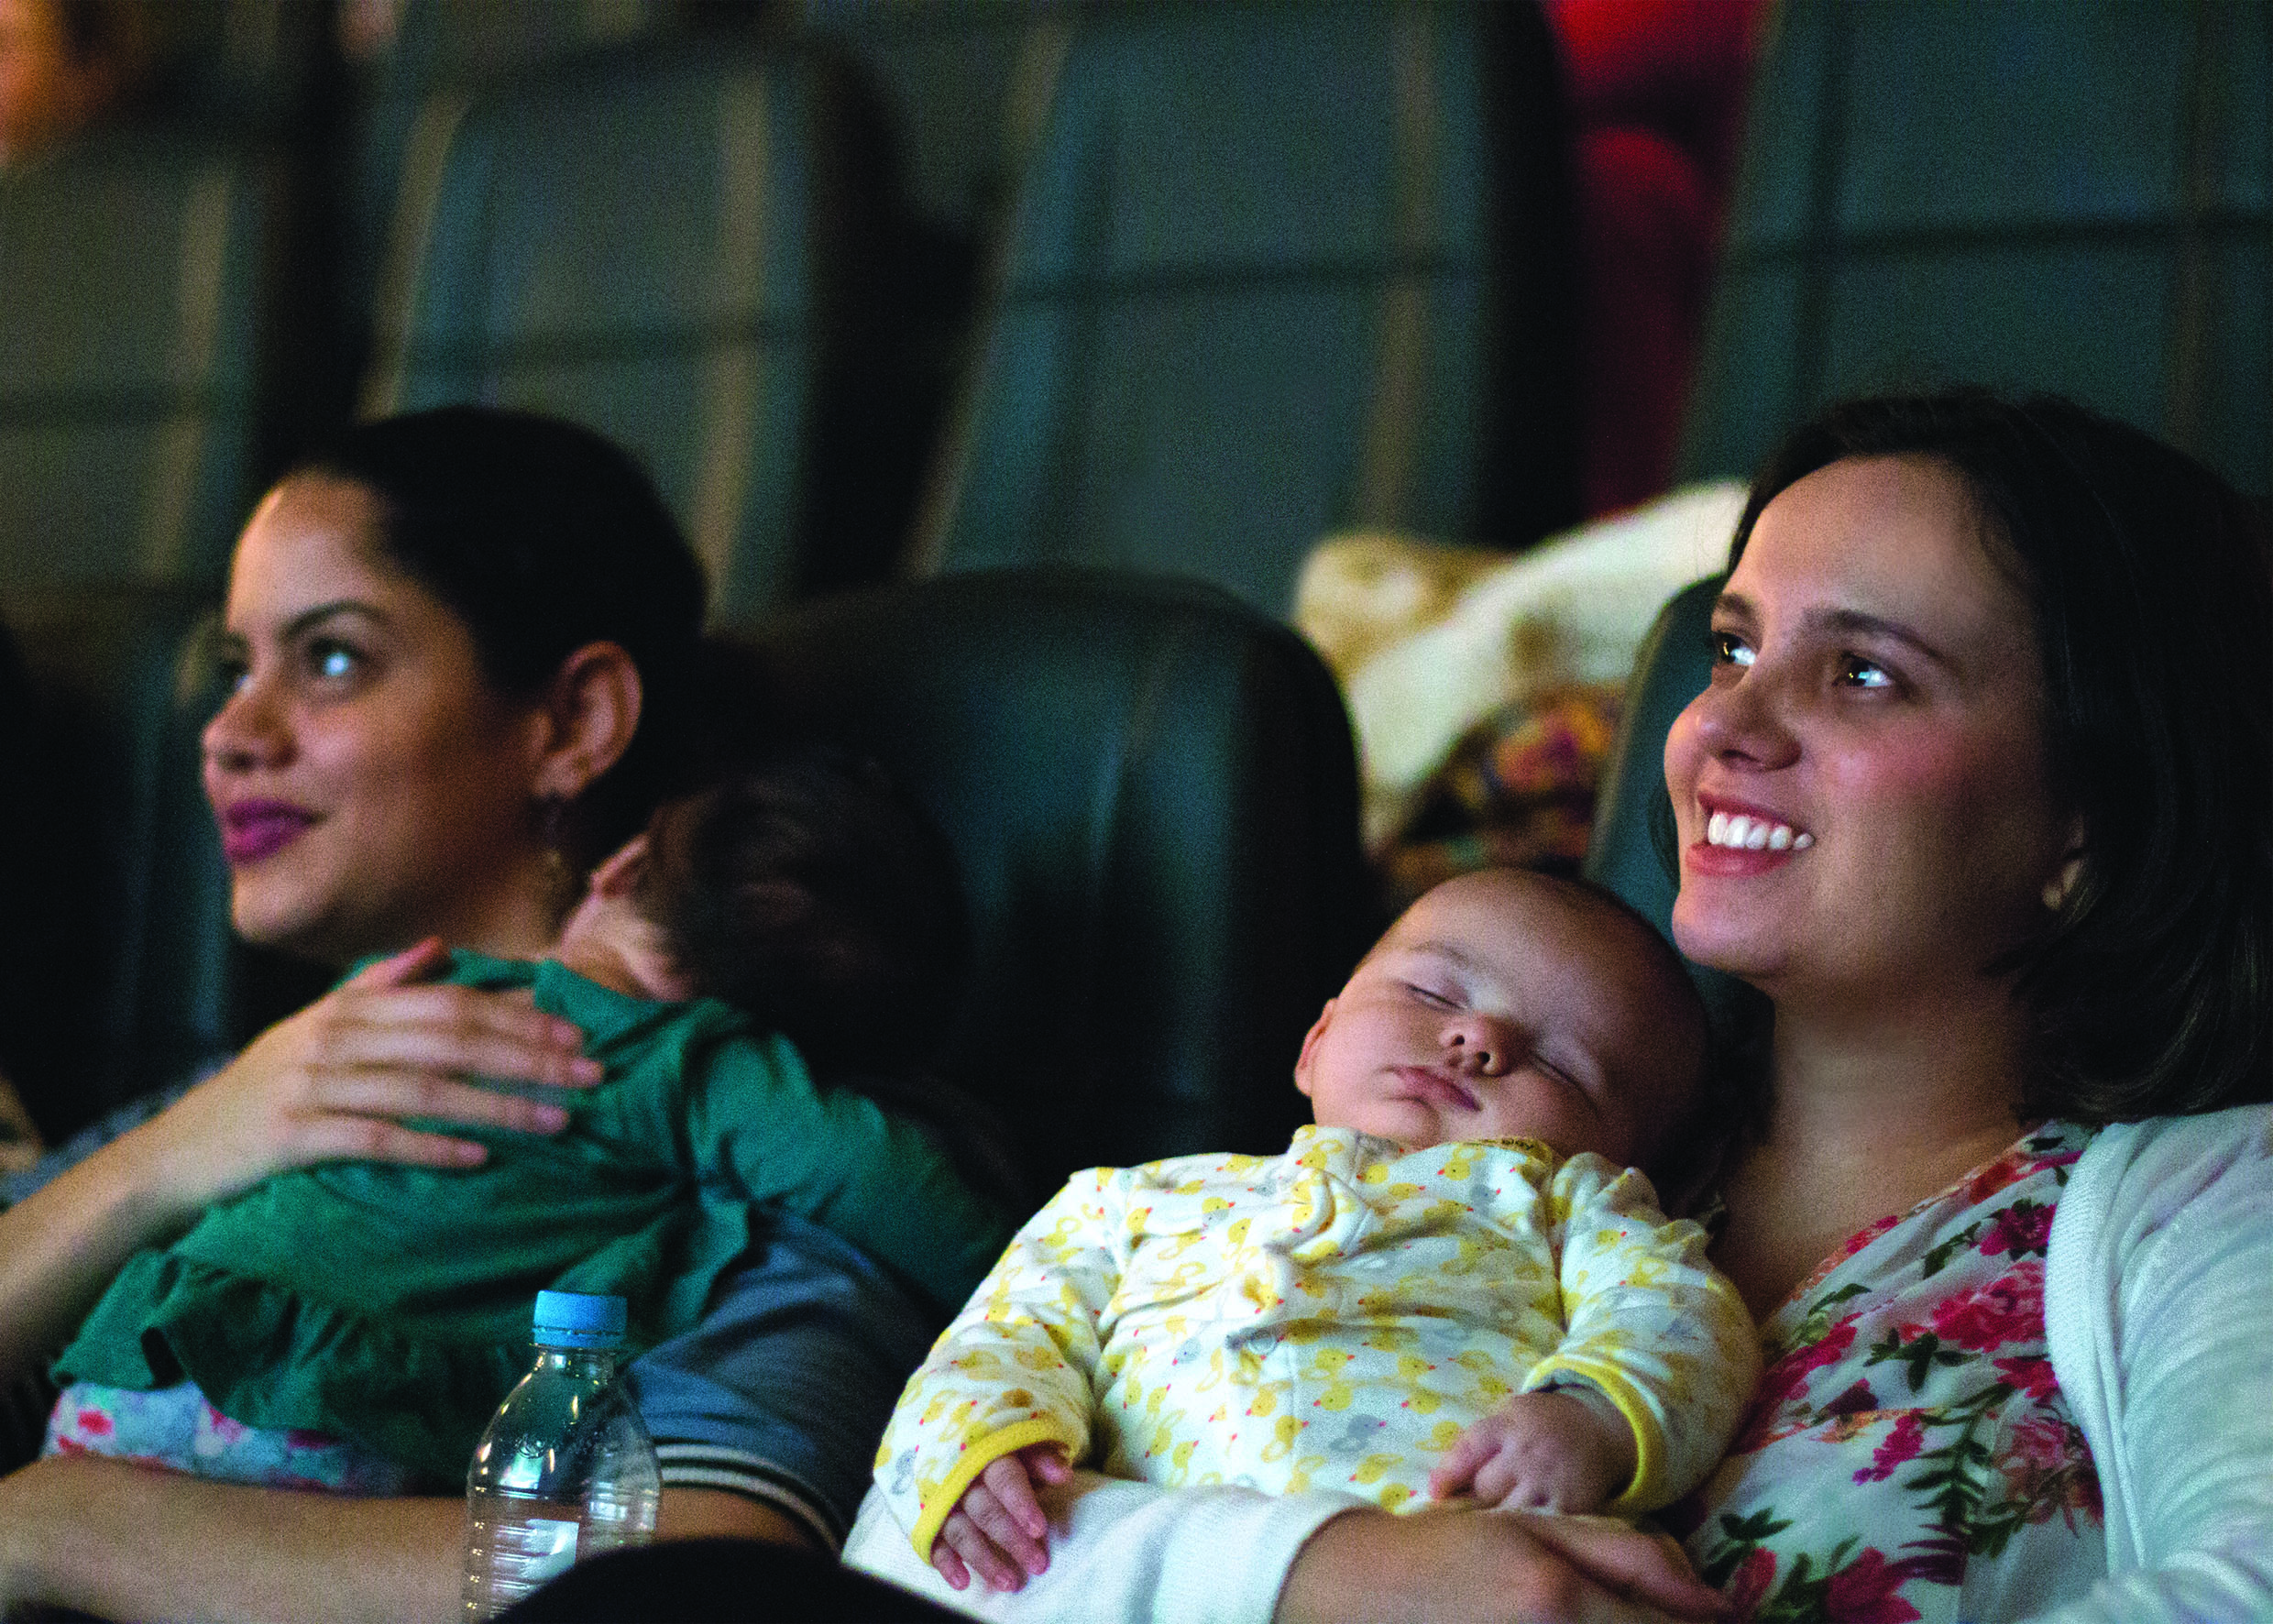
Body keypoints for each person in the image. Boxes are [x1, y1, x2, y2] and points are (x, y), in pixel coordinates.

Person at [838, 390, 2273, 1624]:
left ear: (2089, 822)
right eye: (1728, 649)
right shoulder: (1500, 1131)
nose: (1719, 728)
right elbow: (905, 1556)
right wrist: (1328, 1578)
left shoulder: (2207, 1206)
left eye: (1864, 674)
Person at [0, 407, 988, 1620]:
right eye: (233, 669)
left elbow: (696, 1575)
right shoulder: (293, 1075)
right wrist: (178, 1153)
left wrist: (62, 1526)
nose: (230, 738)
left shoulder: (740, 1142)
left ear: (572, 723)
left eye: (333, 660)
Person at [44, 750, 1006, 1490]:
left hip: (133, 1365)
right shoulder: (688, 1065)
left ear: (621, 869)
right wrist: (1038, 1287)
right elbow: (876, 1177)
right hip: (314, 1420)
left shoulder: (410, 980)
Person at [855, 867, 1758, 1598]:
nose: (1474, 1036)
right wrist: (977, 1444)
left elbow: (1681, 1314)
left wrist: (1593, 1415)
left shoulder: (1569, 1203)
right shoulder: (1126, 1199)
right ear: (1315, 1040)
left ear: (1626, 1155)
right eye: (1430, 989)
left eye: (1561, 1060)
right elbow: (1007, 1331)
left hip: (1451, 1563)